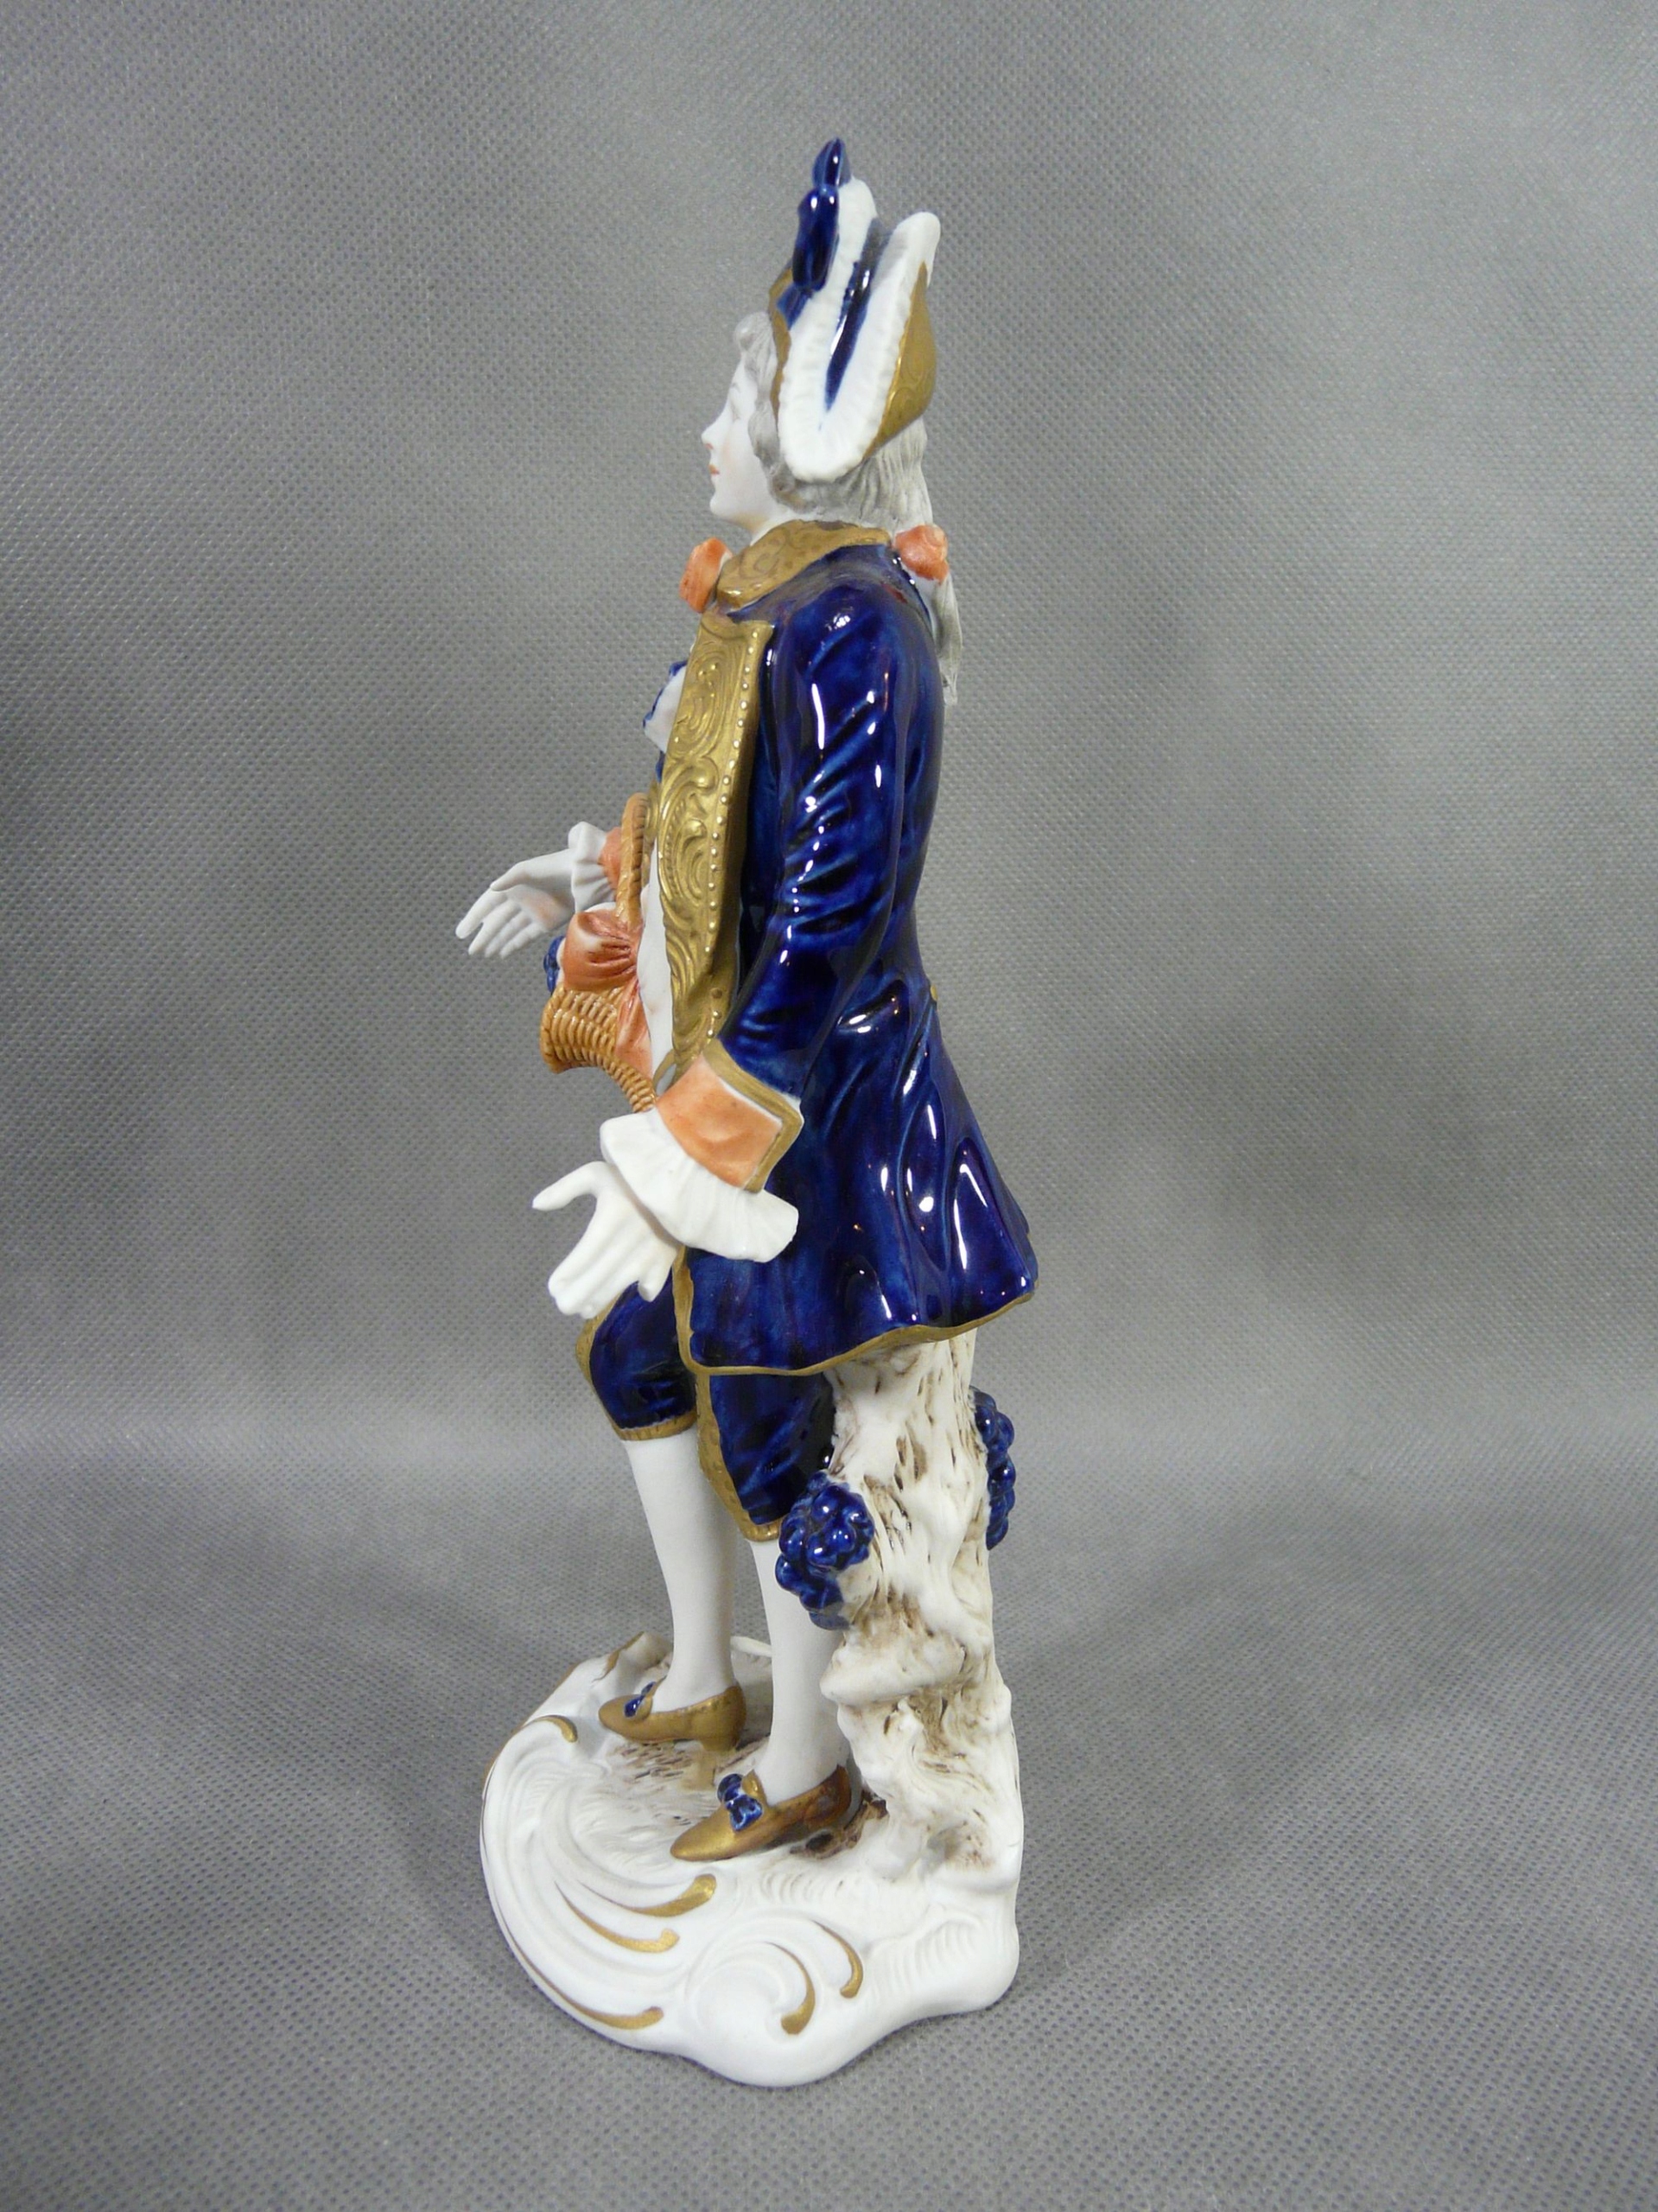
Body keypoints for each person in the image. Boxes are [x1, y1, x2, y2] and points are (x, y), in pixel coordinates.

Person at [458, 142, 1035, 1862]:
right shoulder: (767, 598)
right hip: (747, 1069)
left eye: (736, 395)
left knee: (778, 1427)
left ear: (810, 431)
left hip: (823, 1110)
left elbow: (833, 917)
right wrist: (595, 878)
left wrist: (693, 1147)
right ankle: (708, 1675)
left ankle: (804, 1765)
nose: (708, 427)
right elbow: (717, 826)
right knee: (639, 1347)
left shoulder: (856, 626)